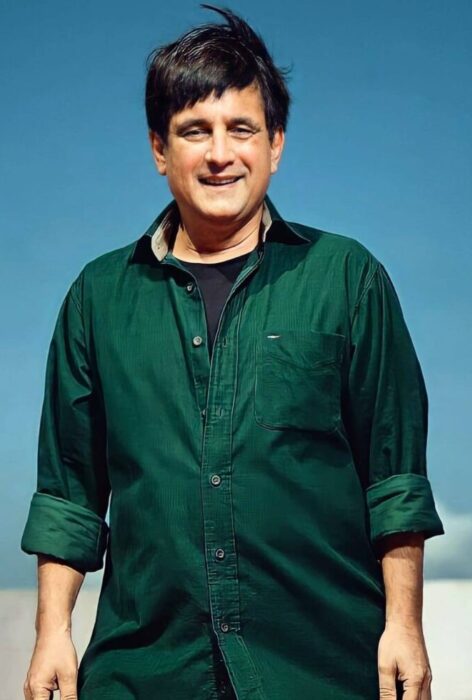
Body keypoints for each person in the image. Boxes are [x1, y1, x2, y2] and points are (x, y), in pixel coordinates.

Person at [21, 5, 444, 700]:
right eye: (195, 131)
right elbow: (70, 494)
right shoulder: (98, 297)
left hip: (321, 669)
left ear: (275, 144)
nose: (220, 154)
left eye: (241, 129)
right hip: (145, 673)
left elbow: (394, 478)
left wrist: (404, 625)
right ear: (159, 150)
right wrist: (52, 633)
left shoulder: (346, 278)